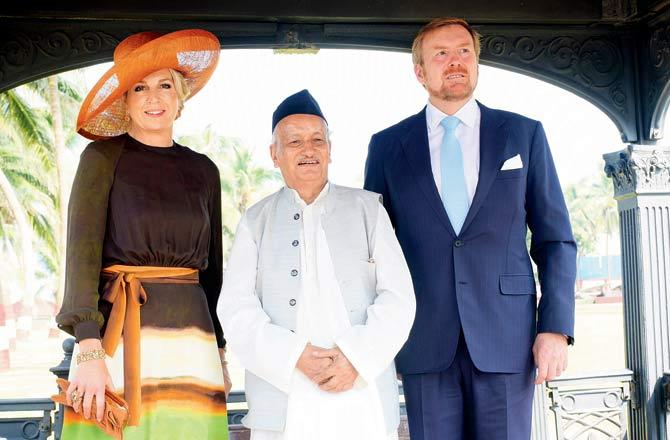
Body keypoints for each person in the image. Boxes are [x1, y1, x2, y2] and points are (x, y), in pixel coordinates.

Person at [364, 18, 577, 440]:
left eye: (464, 51)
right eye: (440, 54)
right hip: (423, 340)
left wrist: (555, 328)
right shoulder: (387, 146)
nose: (455, 62)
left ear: (477, 63)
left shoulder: (524, 134)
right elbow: (372, 251)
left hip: (508, 339)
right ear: (420, 71)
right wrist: (375, 339)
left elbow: (555, 239)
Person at [55, 29, 231, 439]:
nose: (154, 98)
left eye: (164, 85)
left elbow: (214, 270)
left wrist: (219, 349)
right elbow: (80, 255)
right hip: (115, 340)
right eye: (140, 87)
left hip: (193, 341)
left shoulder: (204, 170)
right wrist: (87, 346)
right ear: (126, 101)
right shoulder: (101, 158)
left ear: (180, 96)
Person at [218, 89, 415, 440]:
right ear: (274, 155)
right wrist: (294, 355)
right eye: (294, 141)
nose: (308, 150)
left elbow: (399, 298)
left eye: (317, 140)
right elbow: (235, 308)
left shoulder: (369, 209)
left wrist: (356, 357)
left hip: (359, 386)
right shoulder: (255, 219)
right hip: (286, 387)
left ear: (330, 150)